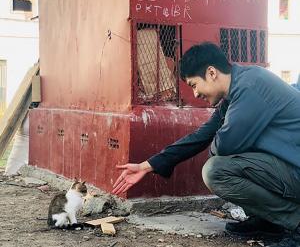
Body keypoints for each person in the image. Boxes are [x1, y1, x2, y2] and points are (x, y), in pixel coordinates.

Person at [112, 42, 300, 247]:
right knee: (227, 157)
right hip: (289, 168)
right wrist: (148, 165)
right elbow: (203, 134)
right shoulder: (237, 87)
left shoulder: (250, 86)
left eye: (194, 85)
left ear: (211, 72)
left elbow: (225, 146)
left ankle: (296, 222)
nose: (195, 94)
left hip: (295, 169)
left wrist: (218, 145)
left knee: (216, 170)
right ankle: (268, 223)